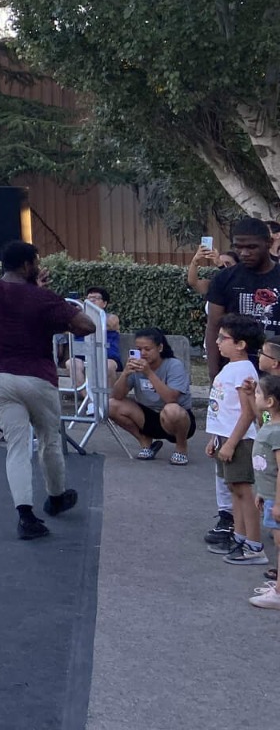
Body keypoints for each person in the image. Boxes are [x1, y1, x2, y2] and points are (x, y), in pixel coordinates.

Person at [0, 241, 97, 540]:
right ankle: (56, 497)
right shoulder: (43, 299)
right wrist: (53, 312)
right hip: (38, 377)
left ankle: (25, 515)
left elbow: (12, 310)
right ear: (28, 265)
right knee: (49, 439)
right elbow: (86, 325)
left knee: (16, 446)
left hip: (0, 377)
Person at [202, 219, 280, 550]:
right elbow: (213, 326)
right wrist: (213, 372)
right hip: (240, 372)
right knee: (230, 443)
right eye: (239, 246)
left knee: (270, 444)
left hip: (274, 369)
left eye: (253, 246)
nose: (245, 253)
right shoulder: (226, 278)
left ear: (269, 243)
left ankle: (268, 513)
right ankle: (228, 517)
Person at [204, 314, 265, 565]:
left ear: (241, 344)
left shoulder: (243, 370)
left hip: (239, 440)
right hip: (225, 438)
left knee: (243, 491)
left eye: (223, 338)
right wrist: (214, 439)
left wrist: (230, 443)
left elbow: (248, 412)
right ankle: (240, 537)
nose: (218, 342)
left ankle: (254, 545)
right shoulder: (231, 368)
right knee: (234, 489)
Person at [106, 329, 195, 463]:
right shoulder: (136, 366)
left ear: (160, 348)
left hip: (176, 419)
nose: (142, 353)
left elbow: (171, 398)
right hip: (147, 415)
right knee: (110, 405)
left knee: (172, 410)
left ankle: (181, 447)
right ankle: (145, 442)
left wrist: (149, 373)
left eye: (147, 349)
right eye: (139, 349)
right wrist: (125, 374)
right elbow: (117, 396)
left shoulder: (173, 365)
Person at [243, 373, 280, 608]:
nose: (255, 396)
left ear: (270, 401)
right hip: (269, 497)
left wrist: (277, 503)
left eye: (258, 394)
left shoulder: (277, 431)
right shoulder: (269, 422)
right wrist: (262, 493)